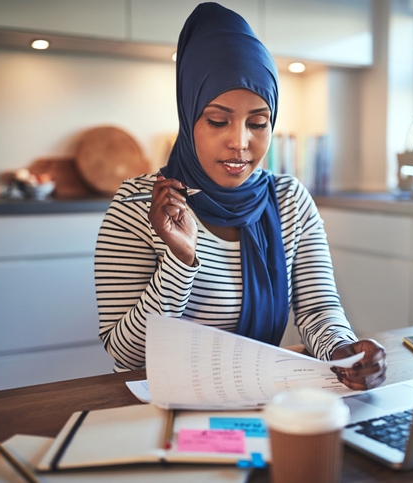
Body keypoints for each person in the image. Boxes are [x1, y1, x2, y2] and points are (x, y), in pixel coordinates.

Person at [94, 2, 387, 391]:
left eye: (259, 122)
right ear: (188, 114)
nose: (240, 142)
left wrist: (344, 353)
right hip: (162, 407)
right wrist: (180, 262)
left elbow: (318, 311)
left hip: (258, 397)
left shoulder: (289, 199)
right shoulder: (139, 205)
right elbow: (126, 355)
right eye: (217, 121)